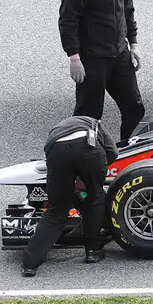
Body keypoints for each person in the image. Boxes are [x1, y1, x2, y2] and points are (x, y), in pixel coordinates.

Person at [58, 0, 146, 141]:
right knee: (88, 117)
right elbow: (68, 18)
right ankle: (85, 159)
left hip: (119, 55)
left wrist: (133, 43)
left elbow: (127, 7)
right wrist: (74, 57)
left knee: (134, 108)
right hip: (92, 59)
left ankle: (128, 151)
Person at [21, 116, 118, 276]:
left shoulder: (60, 127)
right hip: (88, 147)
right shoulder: (96, 124)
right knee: (95, 196)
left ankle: (29, 263)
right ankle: (93, 250)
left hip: (56, 150)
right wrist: (88, 178)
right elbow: (113, 152)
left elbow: (53, 160)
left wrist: (73, 182)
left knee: (55, 210)